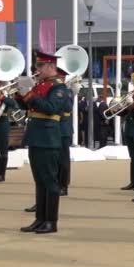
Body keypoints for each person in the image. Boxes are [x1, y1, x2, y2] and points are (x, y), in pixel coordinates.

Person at [18, 51, 68, 233]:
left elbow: (50, 108)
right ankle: (40, 218)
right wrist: (21, 93)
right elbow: (28, 107)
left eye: (40, 66)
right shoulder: (42, 85)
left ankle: (51, 221)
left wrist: (30, 95)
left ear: (50, 66)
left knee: (50, 182)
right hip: (36, 136)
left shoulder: (59, 88)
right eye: (37, 66)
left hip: (48, 138)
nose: (37, 69)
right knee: (39, 181)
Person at [57, 67, 76, 196]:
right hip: (53, 129)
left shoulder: (67, 92)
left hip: (63, 130)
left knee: (63, 159)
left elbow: (68, 107)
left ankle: (63, 185)